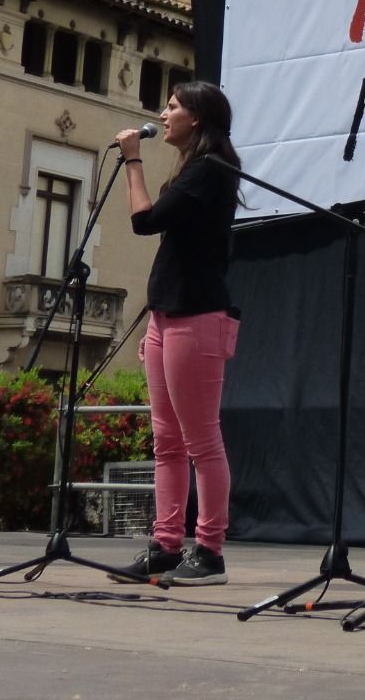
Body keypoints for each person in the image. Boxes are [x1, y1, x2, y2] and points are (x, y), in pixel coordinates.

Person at [110, 81, 241, 586]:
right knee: (165, 441)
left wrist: (132, 160)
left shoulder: (211, 169)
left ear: (198, 118)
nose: (163, 114)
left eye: (172, 107)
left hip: (198, 316)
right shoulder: (194, 168)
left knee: (201, 440)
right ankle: (166, 544)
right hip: (167, 315)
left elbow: (144, 220)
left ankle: (209, 551)